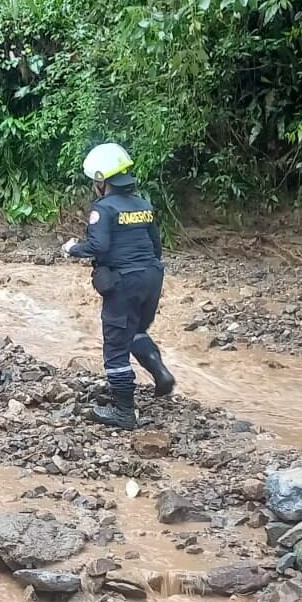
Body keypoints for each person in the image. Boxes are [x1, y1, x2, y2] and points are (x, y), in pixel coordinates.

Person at [61, 143, 176, 430]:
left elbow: (99, 246)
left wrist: (73, 248)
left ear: (101, 181)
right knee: (136, 330)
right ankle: (160, 373)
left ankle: (125, 412)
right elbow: (156, 248)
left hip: (124, 282)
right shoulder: (143, 204)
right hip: (151, 276)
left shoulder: (104, 209)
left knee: (114, 346)